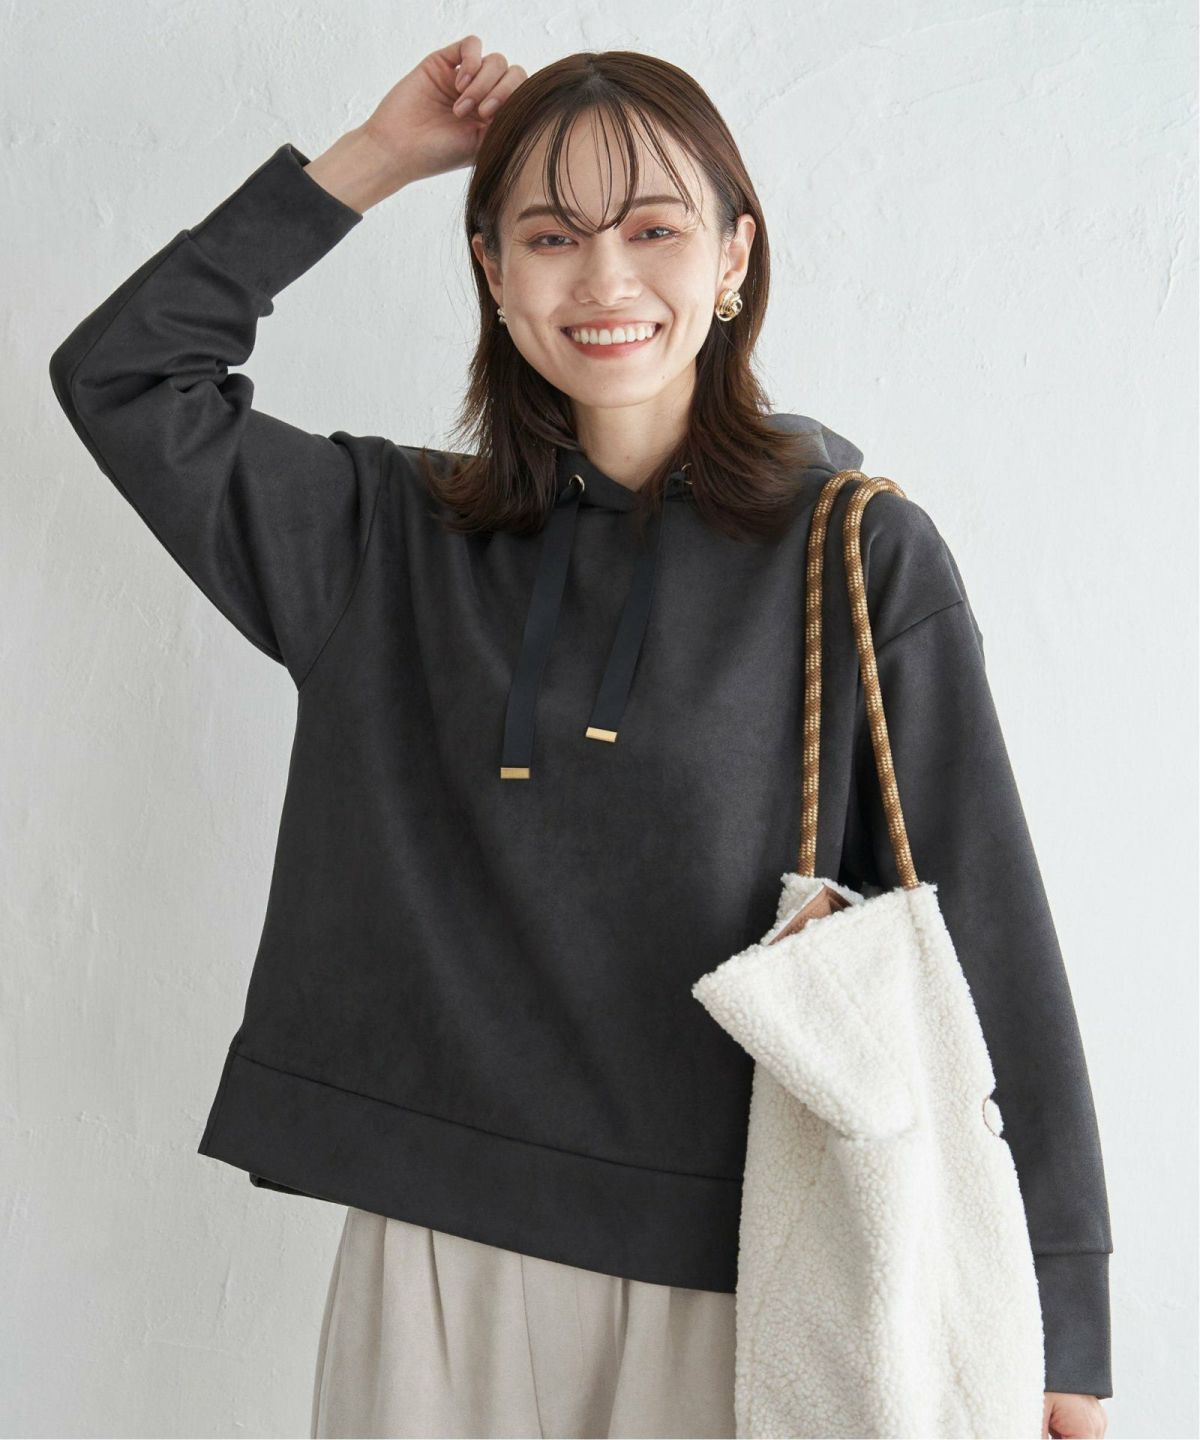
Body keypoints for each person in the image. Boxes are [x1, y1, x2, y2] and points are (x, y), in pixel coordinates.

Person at [48, 35, 1113, 1440]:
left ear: (734, 259)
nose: (605, 280)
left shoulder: (854, 556)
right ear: (492, 271)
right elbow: (125, 378)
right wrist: (374, 160)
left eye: (655, 230)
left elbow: (978, 924)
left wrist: (1060, 1319)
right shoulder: (388, 542)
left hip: (747, 1265)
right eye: (551, 236)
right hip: (436, 1255)